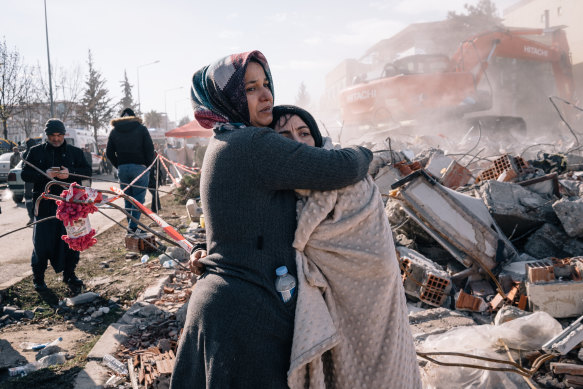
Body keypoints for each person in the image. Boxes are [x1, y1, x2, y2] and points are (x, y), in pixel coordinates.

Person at [170, 51, 372, 389]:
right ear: (227, 97)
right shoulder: (252, 144)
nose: (266, 95)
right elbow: (343, 168)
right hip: (245, 318)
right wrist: (366, 152)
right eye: (250, 88)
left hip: (229, 308)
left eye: (266, 84)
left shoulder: (226, 141)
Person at [270, 105, 422, 388]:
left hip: (377, 295)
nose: (298, 142)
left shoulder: (351, 176)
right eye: (285, 136)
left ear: (316, 137)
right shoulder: (277, 193)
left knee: (387, 367)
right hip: (334, 305)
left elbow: (372, 241)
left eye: (304, 133)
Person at [21, 119, 92, 291]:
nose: (56, 139)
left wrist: (69, 174)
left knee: (72, 240)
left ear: (64, 134)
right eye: (52, 135)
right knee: (42, 242)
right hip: (44, 204)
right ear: (47, 135)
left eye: (59, 135)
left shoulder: (75, 152)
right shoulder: (35, 152)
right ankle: (39, 278)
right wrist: (45, 174)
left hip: (71, 206)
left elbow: (87, 172)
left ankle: (69, 274)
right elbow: (25, 174)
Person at [106, 108, 155, 232]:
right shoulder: (141, 129)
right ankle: (133, 227)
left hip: (122, 168)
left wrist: (119, 165)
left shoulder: (114, 131)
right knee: (138, 199)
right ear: (134, 117)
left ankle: (131, 227)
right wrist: (147, 166)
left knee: (127, 198)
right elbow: (150, 149)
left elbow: (109, 152)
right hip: (139, 168)